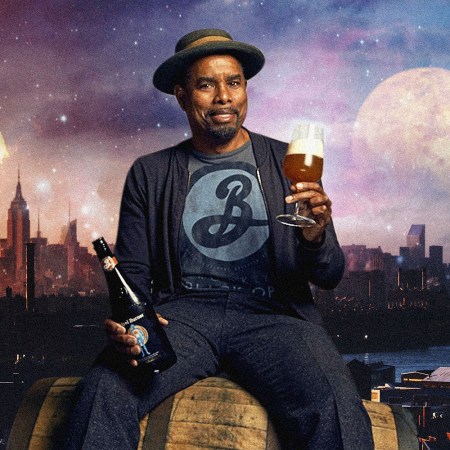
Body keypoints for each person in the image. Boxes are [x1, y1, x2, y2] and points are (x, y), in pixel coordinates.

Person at [65, 28, 374, 450]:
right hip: (183, 317)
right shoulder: (151, 173)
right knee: (101, 392)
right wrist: (130, 325)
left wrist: (316, 237)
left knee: (337, 407)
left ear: (245, 89)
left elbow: (331, 275)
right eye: (206, 84)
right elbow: (133, 273)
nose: (224, 96)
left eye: (234, 82)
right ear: (181, 94)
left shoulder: (288, 160)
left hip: (274, 315)